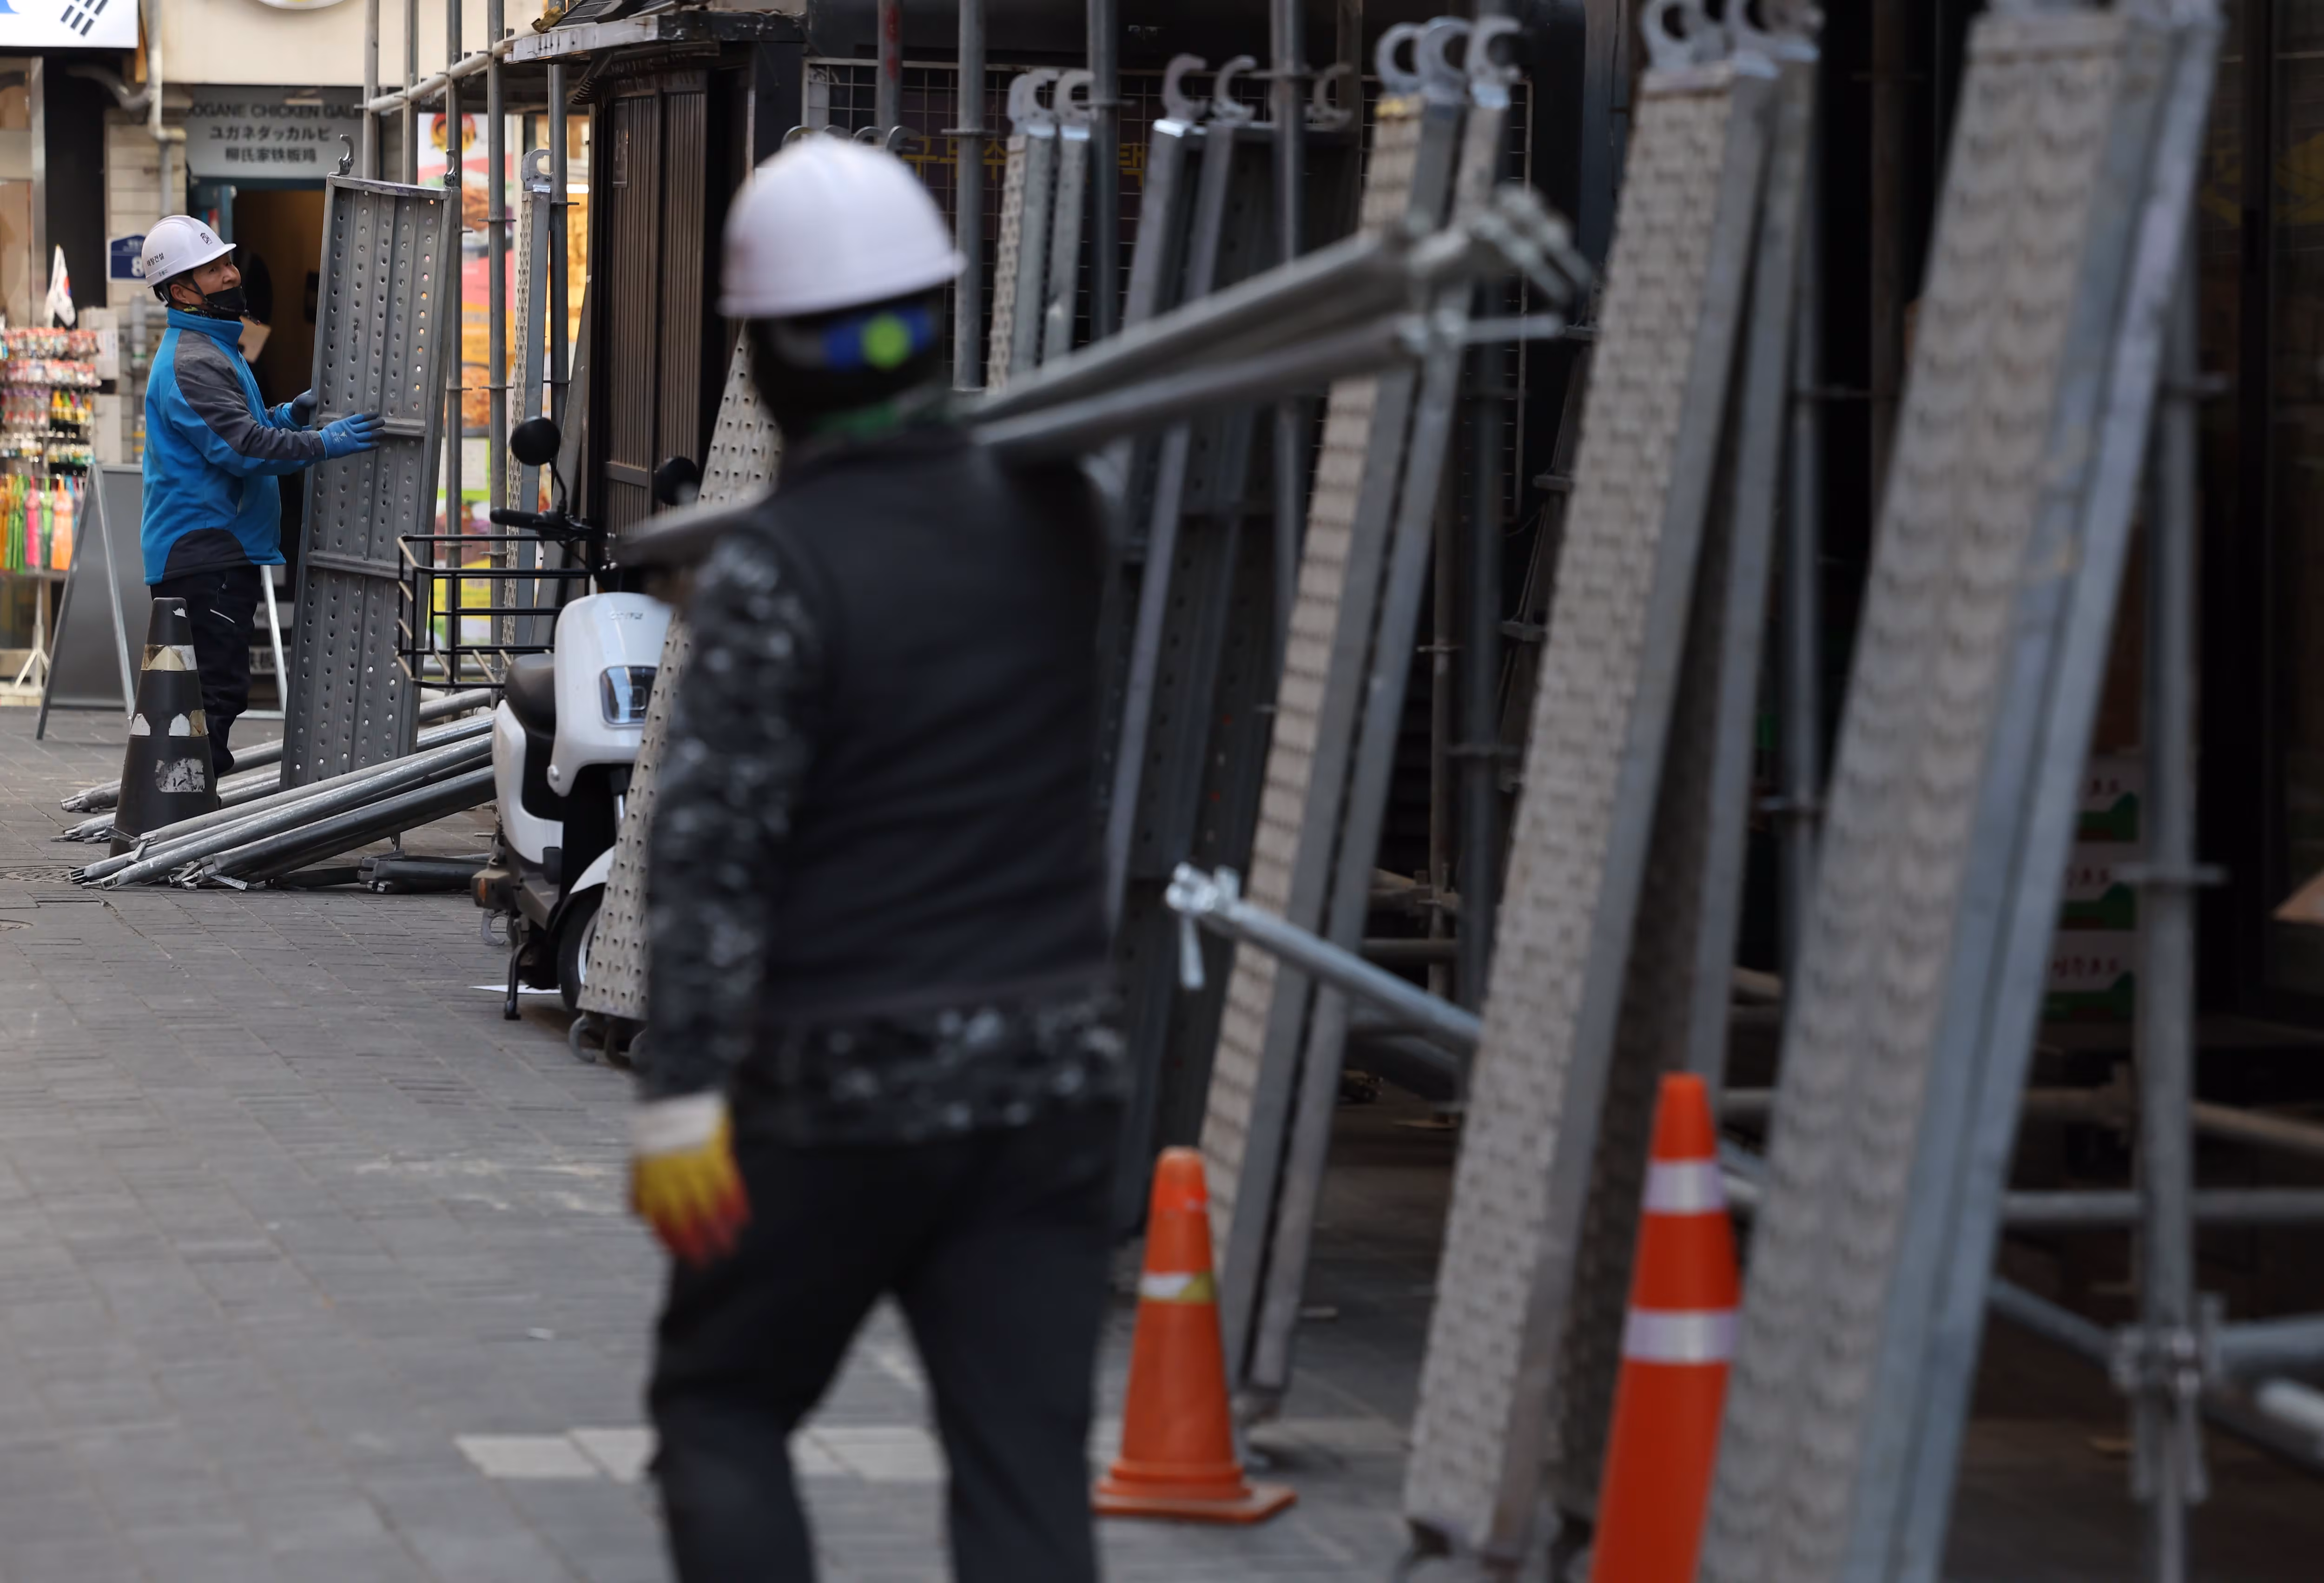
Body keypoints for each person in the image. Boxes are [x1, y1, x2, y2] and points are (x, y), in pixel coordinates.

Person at [630, 137, 1124, 1583]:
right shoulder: (1062, 516)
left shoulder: (775, 569)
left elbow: (710, 859)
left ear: (768, 357)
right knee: (1024, 1465)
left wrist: (679, 1103)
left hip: (835, 1085)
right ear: (938, 317)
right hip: (1047, 1071)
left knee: (721, 1400)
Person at [137, 215, 382, 776]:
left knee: (197, 700)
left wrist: (285, 417)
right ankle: (187, 832)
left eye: (227, 263)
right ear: (180, 290)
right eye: (215, 269)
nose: (230, 275)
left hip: (210, 553)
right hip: (205, 556)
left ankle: (180, 824)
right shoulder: (194, 361)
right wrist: (322, 442)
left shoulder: (213, 349)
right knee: (208, 701)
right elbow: (242, 448)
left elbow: (238, 430)